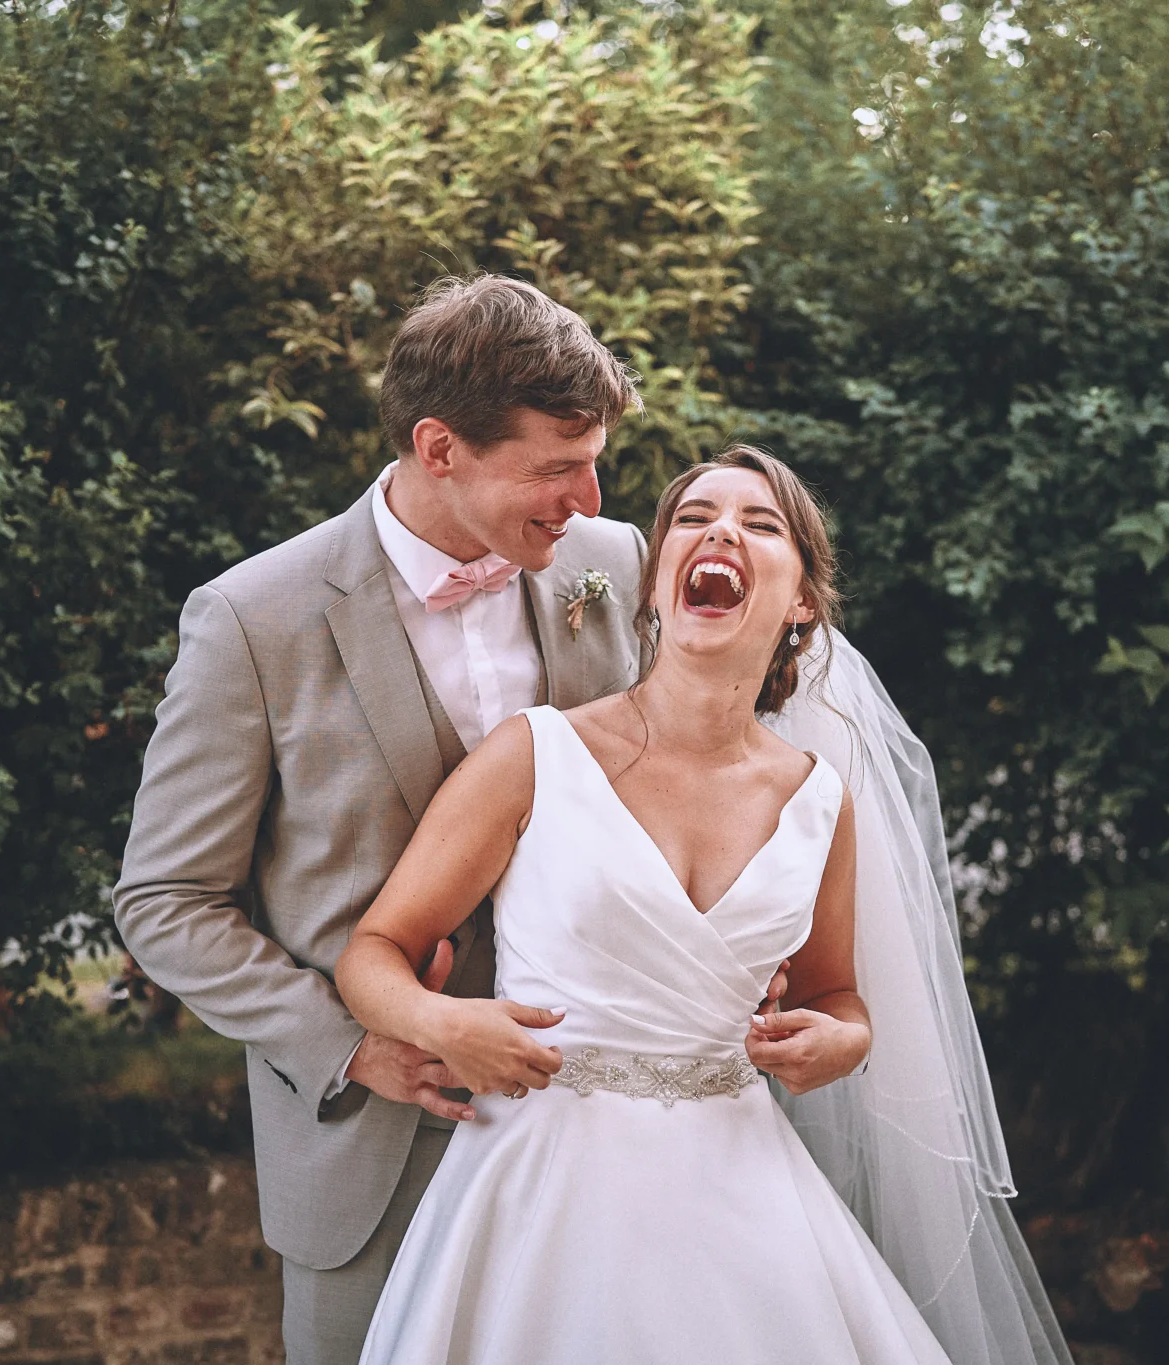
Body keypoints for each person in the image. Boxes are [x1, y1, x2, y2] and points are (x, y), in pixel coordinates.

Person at [337, 448, 1073, 1364]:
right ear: (654, 583)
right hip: (538, 1193)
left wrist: (843, 1040)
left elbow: (837, 996)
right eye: (693, 518)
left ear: (803, 599)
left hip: (745, 1195)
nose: (721, 530)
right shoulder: (535, 755)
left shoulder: (819, 801)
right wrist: (444, 1022)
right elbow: (374, 949)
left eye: (761, 525)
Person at [112, 274, 661, 1364]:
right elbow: (165, 902)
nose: (588, 500)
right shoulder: (252, 620)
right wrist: (351, 1043)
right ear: (438, 445)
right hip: (375, 1142)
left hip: (603, 1119)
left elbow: (664, 801)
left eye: (593, 461)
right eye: (555, 468)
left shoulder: (611, 567)